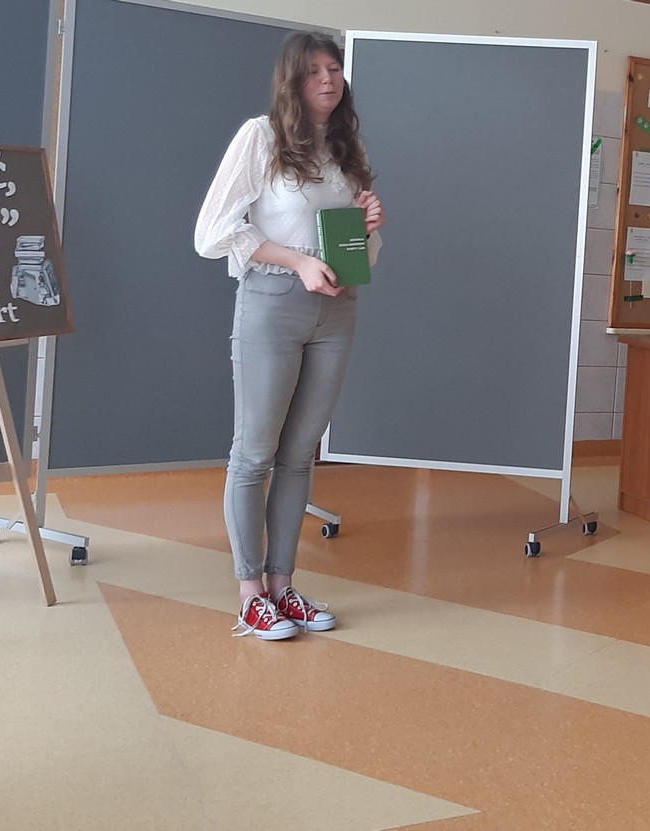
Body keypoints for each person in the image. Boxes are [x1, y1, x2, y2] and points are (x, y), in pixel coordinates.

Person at [194, 32, 384, 640]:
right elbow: (211, 233)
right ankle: (249, 594)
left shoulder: (348, 149)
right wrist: (298, 261)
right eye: (314, 71)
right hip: (273, 303)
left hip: (338, 310)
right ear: (292, 81)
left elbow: (363, 253)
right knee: (254, 452)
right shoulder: (262, 137)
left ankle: (283, 585)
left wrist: (370, 227)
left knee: (300, 454)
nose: (328, 79)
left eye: (335, 69)